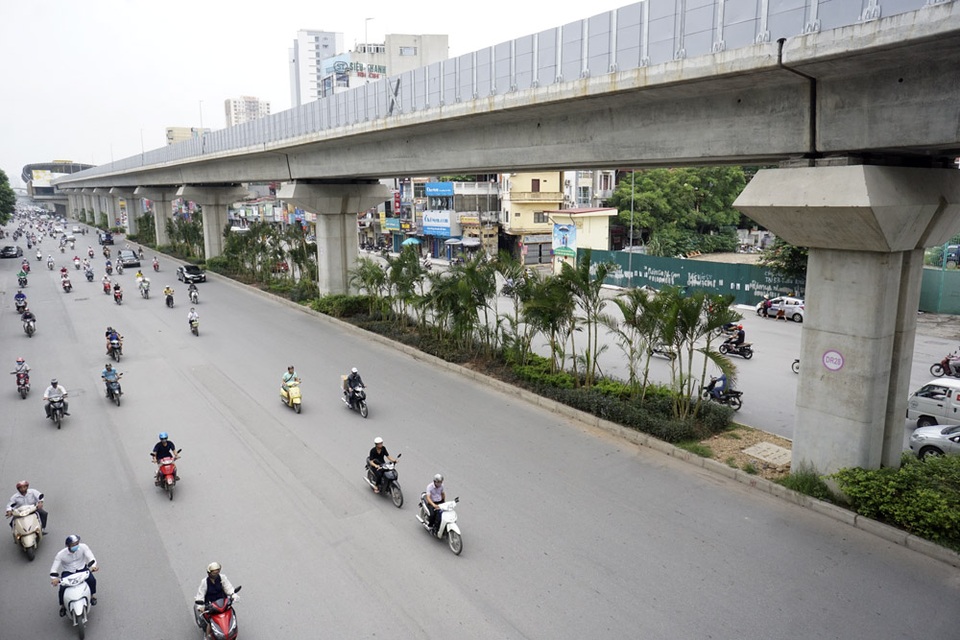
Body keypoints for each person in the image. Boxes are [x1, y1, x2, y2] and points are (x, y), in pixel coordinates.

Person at [50, 534, 98, 616]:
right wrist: (54, 578)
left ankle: (92, 596)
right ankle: (63, 606)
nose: (76, 546)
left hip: (82, 569)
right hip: (68, 572)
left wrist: (94, 566)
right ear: (68, 546)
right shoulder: (61, 555)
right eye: (73, 545)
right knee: (62, 588)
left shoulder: (83, 547)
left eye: (77, 543)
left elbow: (91, 557)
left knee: (92, 580)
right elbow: (53, 569)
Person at [195, 562, 236, 631]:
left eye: (217, 572)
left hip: (223, 603)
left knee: (231, 615)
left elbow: (228, 587)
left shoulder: (222, 578)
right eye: (214, 573)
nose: (216, 575)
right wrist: (201, 607)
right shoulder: (204, 582)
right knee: (210, 623)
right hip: (211, 606)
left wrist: (233, 594)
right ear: (209, 573)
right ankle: (207, 637)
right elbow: (200, 594)